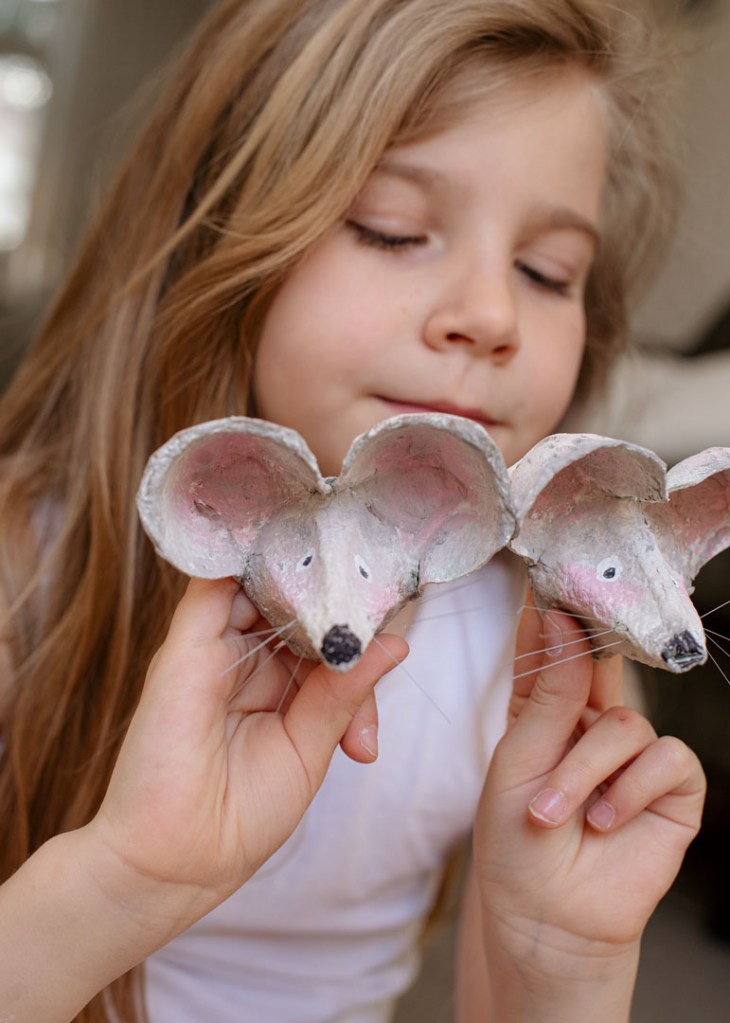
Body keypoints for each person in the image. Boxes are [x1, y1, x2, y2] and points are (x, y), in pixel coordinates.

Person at [0, 1, 707, 1021]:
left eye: (545, 273)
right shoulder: (22, 569)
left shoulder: (546, 659)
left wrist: (564, 967)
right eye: (392, 229)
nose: (492, 315)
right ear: (217, 237)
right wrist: (121, 886)